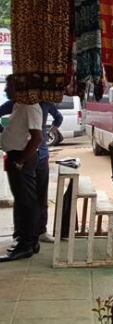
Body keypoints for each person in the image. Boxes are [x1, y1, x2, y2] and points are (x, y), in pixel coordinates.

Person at [0, 96, 62, 245]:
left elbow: (58, 117)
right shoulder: (17, 103)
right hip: (24, 153)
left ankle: (40, 231)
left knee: (41, 195)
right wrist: (5, 132)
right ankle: (20, 233)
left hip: (41, 155)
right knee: (22, 197)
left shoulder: (46, 103)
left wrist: (50, 131)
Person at [0, 77, 44, 262]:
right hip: (15, 156)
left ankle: (27, 244)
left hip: (22, 158)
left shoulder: (30, 106)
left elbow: (37, 138)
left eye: (9, 86)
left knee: (27, 202)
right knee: (22, 201)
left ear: (19, 87)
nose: (6, 90)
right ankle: (26, 241)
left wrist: (20, 162)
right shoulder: (19, 105)